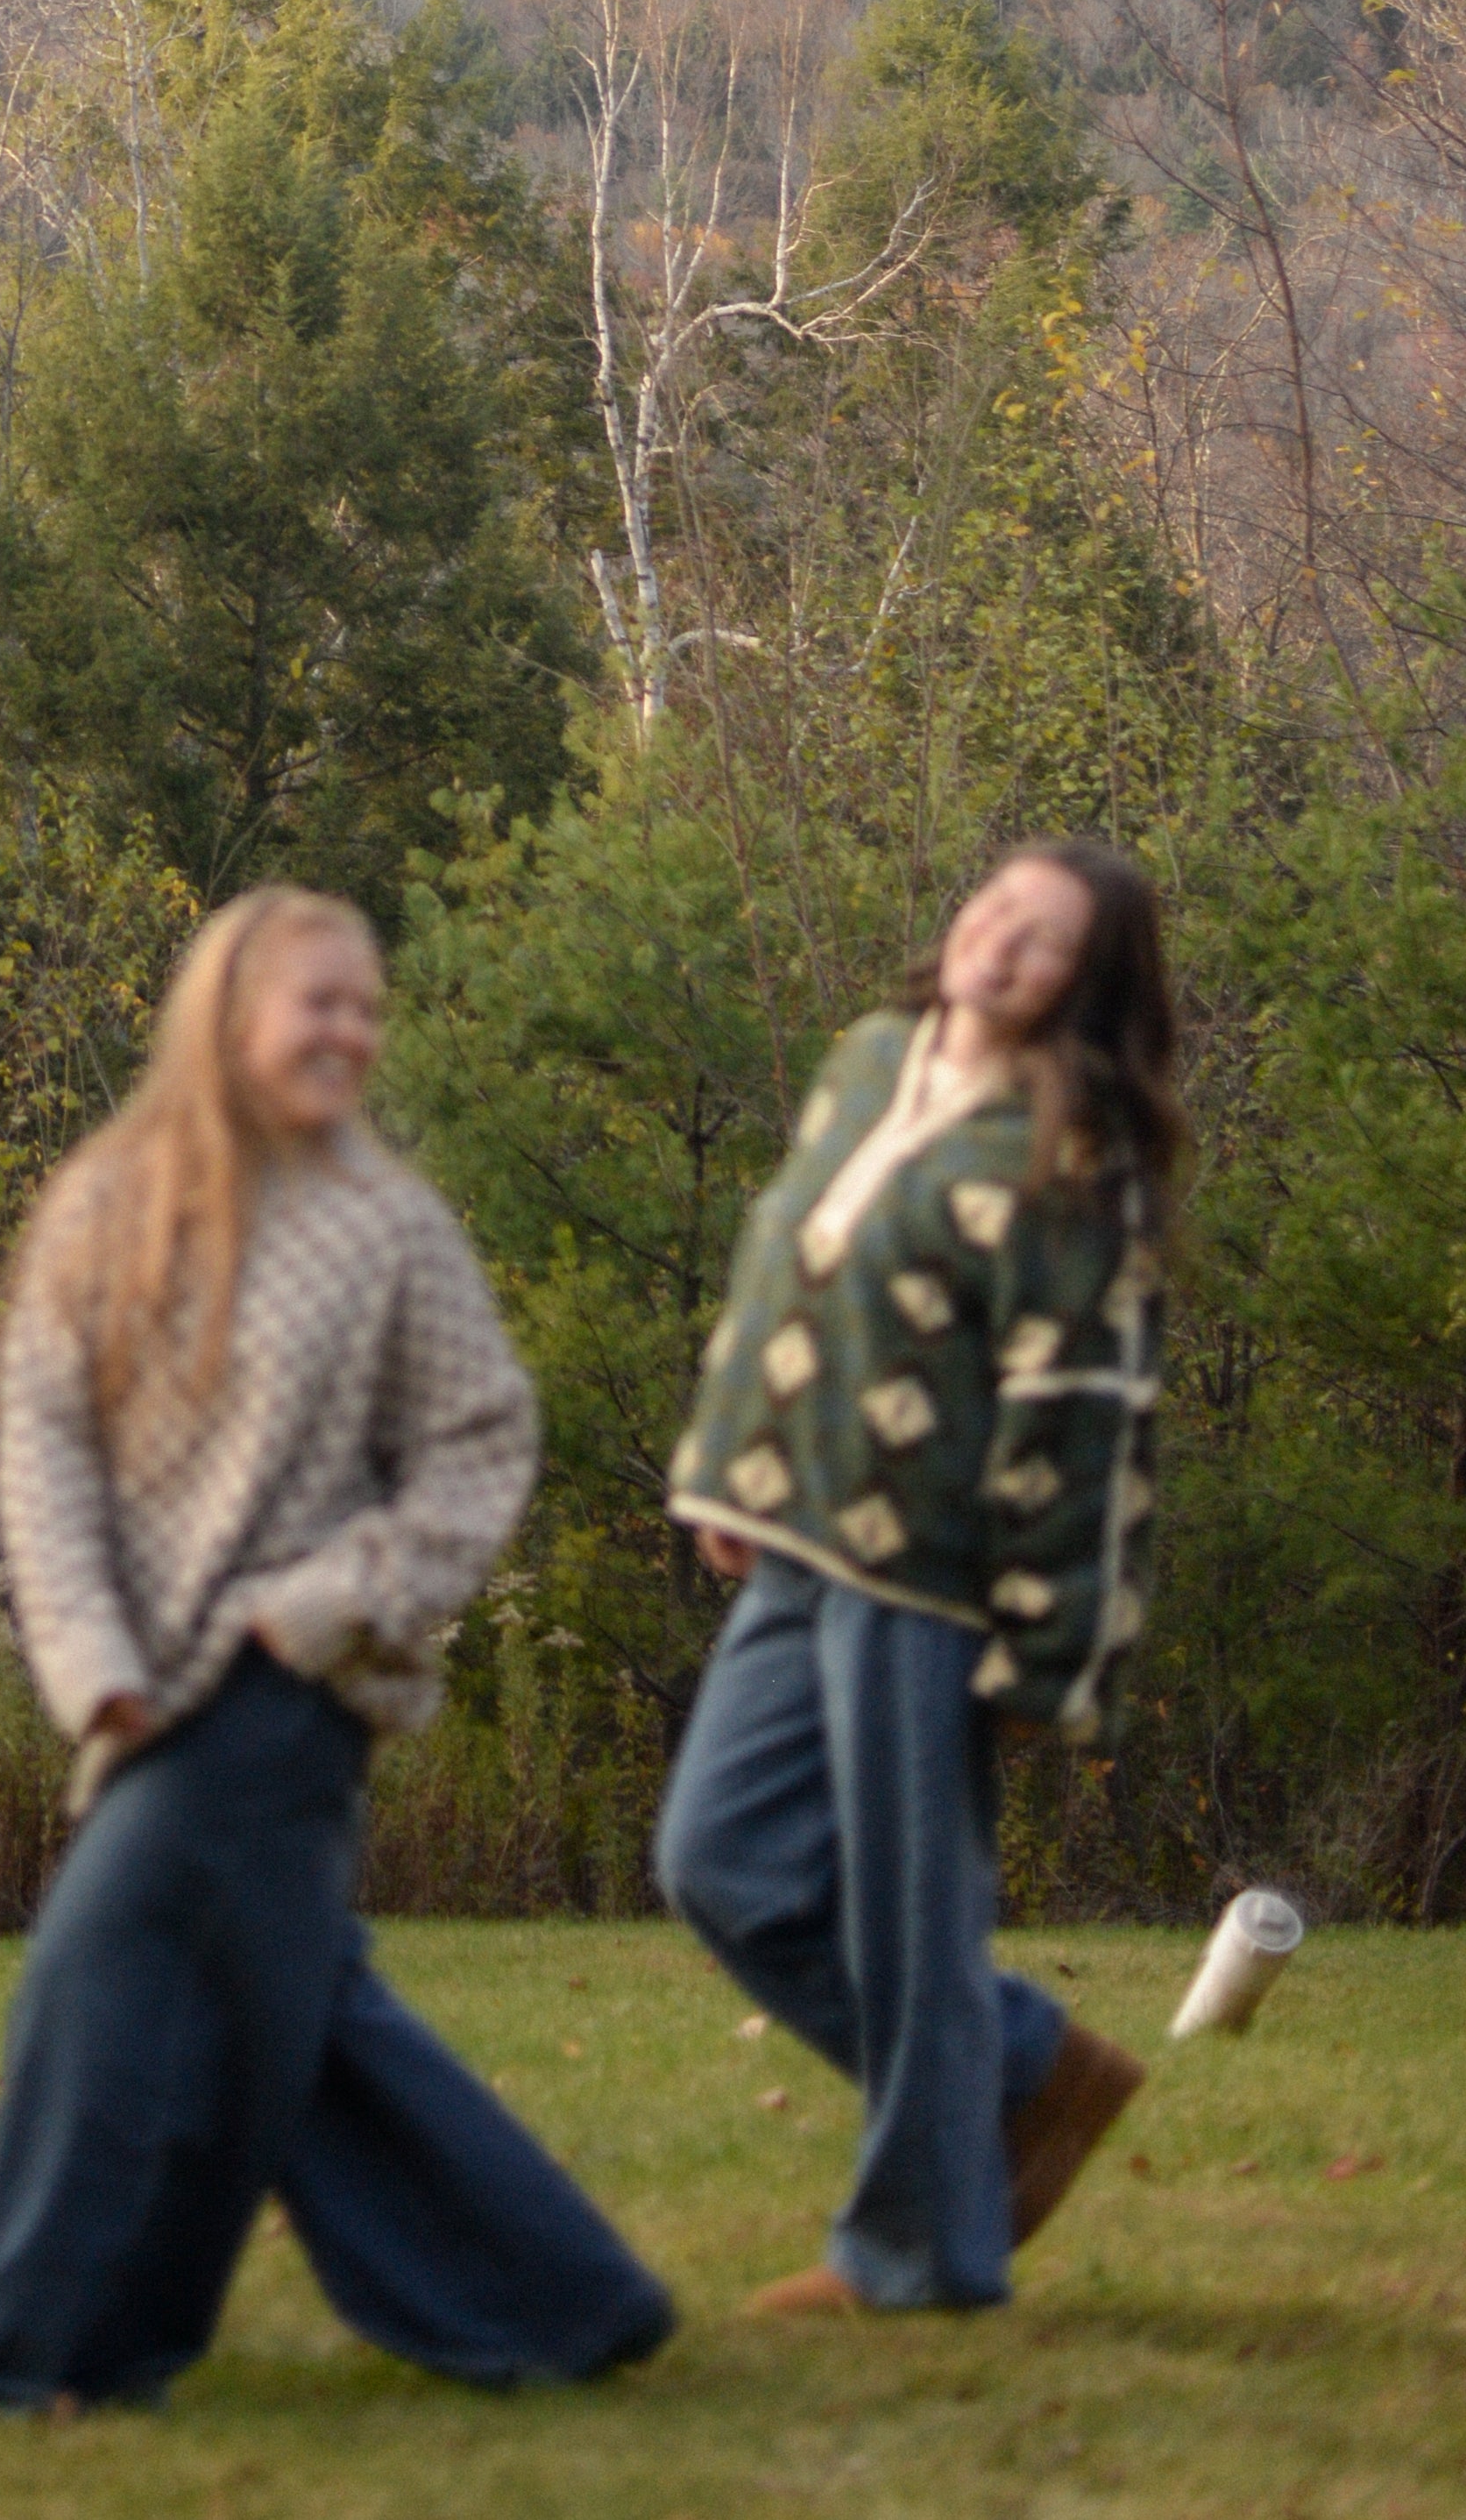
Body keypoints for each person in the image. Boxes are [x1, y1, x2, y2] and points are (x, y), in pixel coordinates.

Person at [0, 886, 674, 2424]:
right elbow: (43, 1454)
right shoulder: (105, 1204)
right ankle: (563, 2301)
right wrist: (91, 1666)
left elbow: (484, 1441)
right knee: (295, 2021)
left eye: (368, 1008)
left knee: (90, 1982)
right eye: (319, 1002)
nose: (352, 1032)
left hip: (287, 1689)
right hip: (145, 1692)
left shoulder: (390, 1227)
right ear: (226, 1015)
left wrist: (336, 1602)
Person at [654, 840, 1186, 2318]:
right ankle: (1026, 2065)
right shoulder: (870, 1059)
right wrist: (733, 1468)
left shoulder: (1075, 1153)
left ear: (1089, 984)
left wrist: (1048, 1654)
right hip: (796, 1542)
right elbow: (783, 1268)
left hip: (937, 1584)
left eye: (1046, 939)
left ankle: (922, 2259)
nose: (1000, 943)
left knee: (912, 1924)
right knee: (718, 1860)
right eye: (995, 908)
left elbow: (1088, 1416)